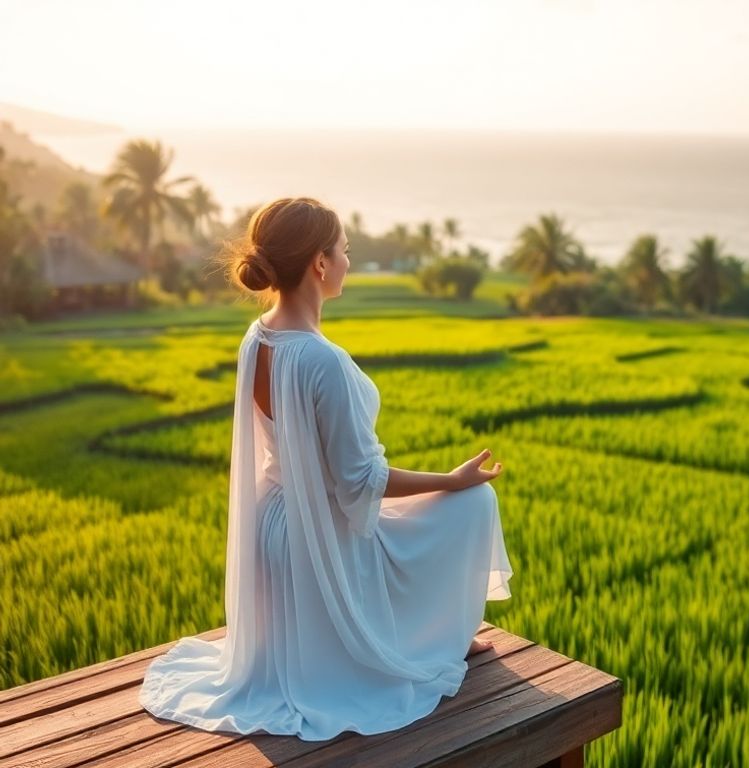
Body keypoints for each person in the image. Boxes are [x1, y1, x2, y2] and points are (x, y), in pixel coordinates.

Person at [138, 197, 513, 741]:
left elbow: (327, 476)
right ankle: (438, 639)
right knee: (474, 501)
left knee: (421, 516)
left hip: (278, 526)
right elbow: (359, 485)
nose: (348, 261)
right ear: (318, 262)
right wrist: (450, 481)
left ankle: (438, 635)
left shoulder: (257, 335)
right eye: (344, 250)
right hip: (317, 536)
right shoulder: (323, 361)